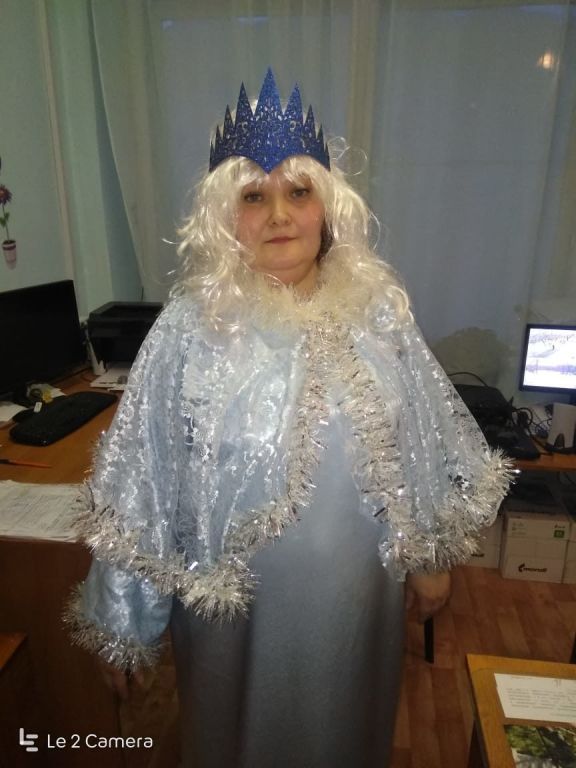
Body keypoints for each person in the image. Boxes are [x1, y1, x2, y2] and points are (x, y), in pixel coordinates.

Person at [67, 69, 512, 768]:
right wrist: (126, 619)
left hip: (361, 603)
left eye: (298, 192)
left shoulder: (379, 315)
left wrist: (430, 563)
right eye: (254, 196)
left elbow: (421, 443)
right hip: (237, 618)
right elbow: (141, 482)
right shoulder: (189, 330)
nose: (279, 214)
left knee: (348, 734)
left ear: (327, 207)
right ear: (225, 216)